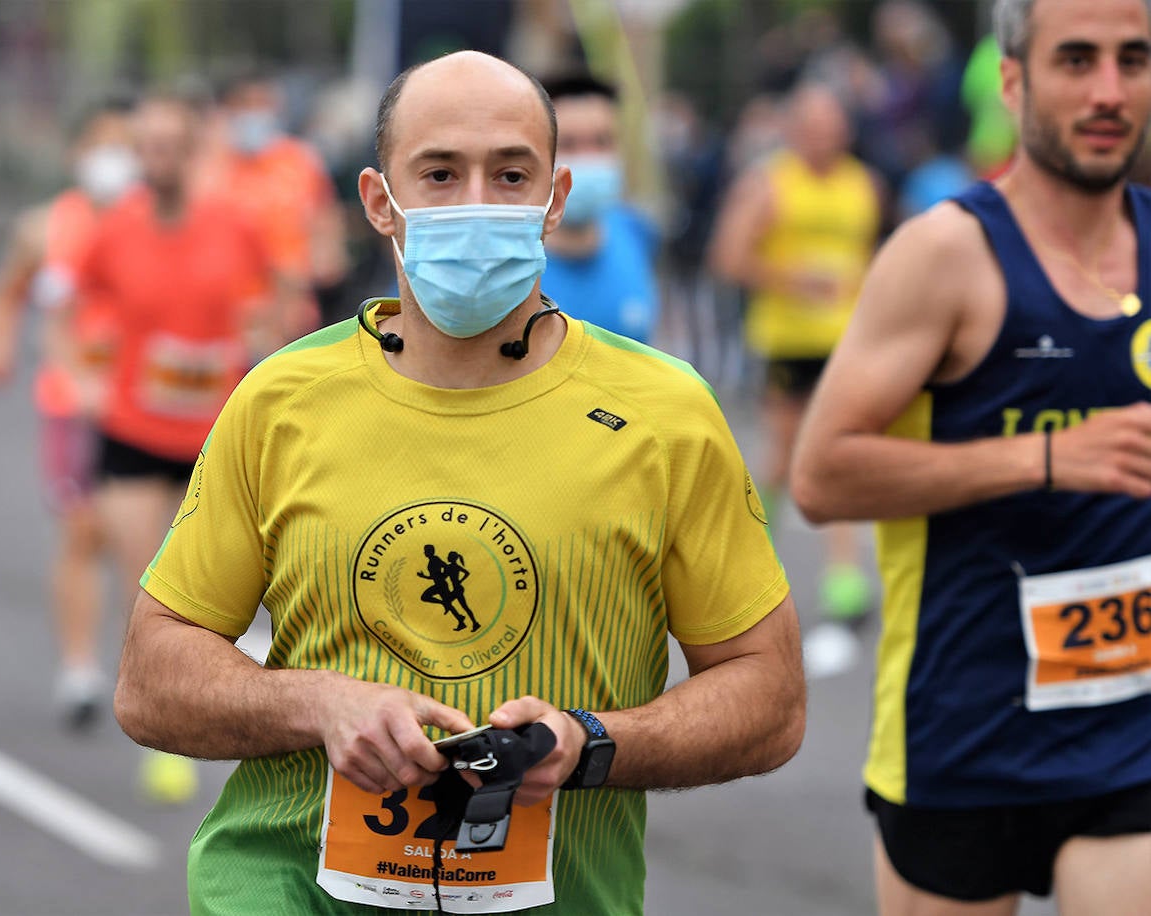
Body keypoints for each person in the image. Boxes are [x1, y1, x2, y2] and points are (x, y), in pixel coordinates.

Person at [113, 51, 805, 915]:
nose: (475, 200)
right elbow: (151, 679)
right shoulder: (282, 399)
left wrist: (590, 744)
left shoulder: (665, 413)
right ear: (378, 202)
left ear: (555, 198)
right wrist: (318, 705)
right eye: (439, 173)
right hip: (281, 890)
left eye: (509, 174)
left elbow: (769, 696)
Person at [790, 0, 1151, 912]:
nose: (1109, 91)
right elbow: (822, 475)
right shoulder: (946, 253)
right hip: (963, 731)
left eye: (1133, 59)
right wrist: (1043, 459)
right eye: (1077, 60)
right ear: (1013, 77)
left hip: (1129, 733)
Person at [46, 89, 285, 802]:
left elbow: (281, 293)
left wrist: (262, 352)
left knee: (229, 584)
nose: (155, 158)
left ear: (192, 150)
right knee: (146, 577)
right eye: (144, 145)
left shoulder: (233, 226)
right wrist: (78, 379)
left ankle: (241, 697)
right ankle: (166, 742)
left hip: (214, 433)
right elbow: (62, 306)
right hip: (132, 429)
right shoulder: (115, 230)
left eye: (168, 145)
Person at [0, 92, 138, 730]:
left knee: (143, 542)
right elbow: (6, 292)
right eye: (104, 145)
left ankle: (149, 672)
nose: (116, 159)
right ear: (78, 153)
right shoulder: (45, 225)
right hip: (72, 403)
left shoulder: (159, 226)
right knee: (81, 531)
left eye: (128, 145)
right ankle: (78, 669)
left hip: (144, 410)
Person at [710, 82, 882, 635]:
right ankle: (753, 566)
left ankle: (845, 580)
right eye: (811, 125)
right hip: (787, 341)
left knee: (845, 452)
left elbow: (871, 255)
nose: (822, 135)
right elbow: (728, 257)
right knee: (785, 456)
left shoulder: (864, 184)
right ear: (793, 130)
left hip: (846, 341)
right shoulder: (769, 183)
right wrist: (793, 279)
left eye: (831, 124)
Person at [197, 67, 348, 338]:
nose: (256, 113)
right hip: (228, 317)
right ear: (226, 110)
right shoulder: (208, 170)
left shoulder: (300, 162)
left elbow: (326, 228)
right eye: (245, 104)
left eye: (263, 103)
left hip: (292, 315)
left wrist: (320, 265)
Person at [537, 72, 661, 344]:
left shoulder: (636, 230)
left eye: (602, 141)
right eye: (568, 144)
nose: (589, 157)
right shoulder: (515, 262)